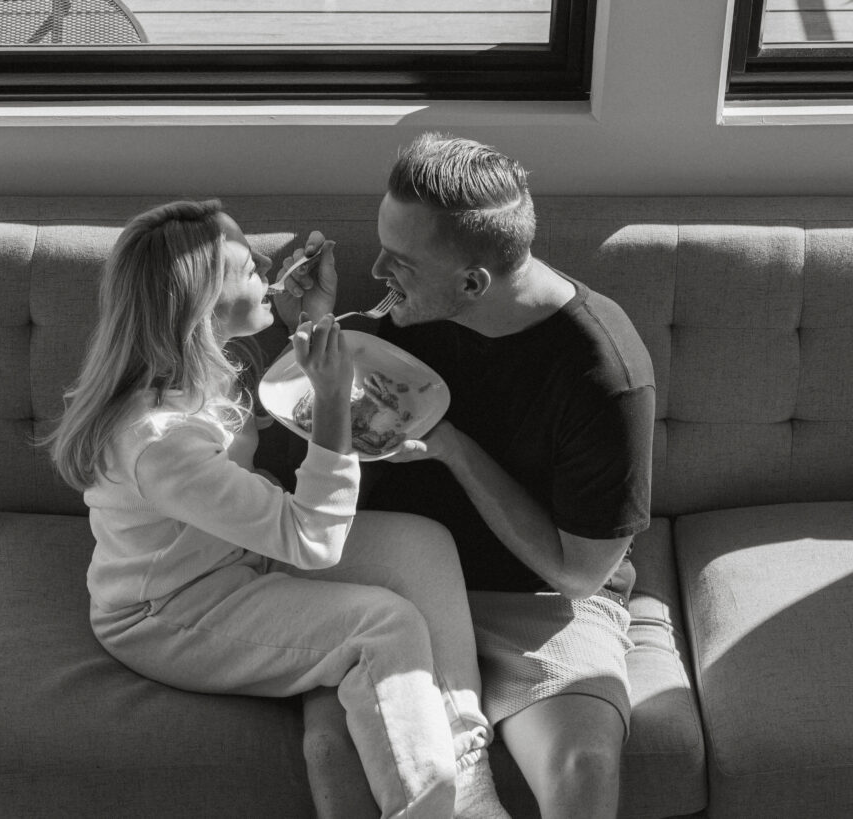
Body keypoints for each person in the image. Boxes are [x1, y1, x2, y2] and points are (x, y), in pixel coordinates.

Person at [45, 199, 510, 819]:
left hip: (236, 555)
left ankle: (465, 762)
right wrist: (332, 399)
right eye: (246, 268)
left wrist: (315, 316)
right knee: (384, 626)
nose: (267, 265)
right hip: (170, 610)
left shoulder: (199, 365)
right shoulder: (160, 444)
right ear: (201, 307)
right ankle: (431, 807)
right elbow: (312, 539)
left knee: (422, 542)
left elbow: (287, 454)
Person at [278, 134, 655, 818]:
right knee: (335, 760)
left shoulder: (601, 372)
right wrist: (315, 324)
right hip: (396, 591)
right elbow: (327, 416)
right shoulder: (404, 318)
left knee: (584, 765)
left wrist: (452, 446)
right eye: (380, 245)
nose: (378, 270)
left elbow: (579, 573)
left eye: (400, 262)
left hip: (539, 601)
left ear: (474, 283)